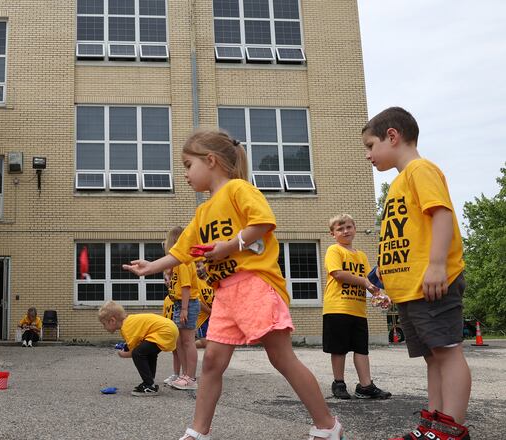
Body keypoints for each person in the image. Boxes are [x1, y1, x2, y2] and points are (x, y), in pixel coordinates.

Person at [123, 129, 345, 440]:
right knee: (212, 362)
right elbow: (180, 251)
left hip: (254, 284)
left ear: (210, 160)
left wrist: (229, 245)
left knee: (281, 357)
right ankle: (198, 432)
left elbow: (263, 221)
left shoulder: (239, 189)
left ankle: (327, 426)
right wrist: (150, 267)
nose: (184, 174)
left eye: (188, 165)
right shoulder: (202, 212)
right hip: (225, 293)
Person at [363, 107, 471, 440]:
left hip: (432, 283)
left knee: (447, 351)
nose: (368, 155)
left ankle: (452, 429)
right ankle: (434, 426)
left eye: (370, 146)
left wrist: (437, 264)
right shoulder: (397, 183)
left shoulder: (419, 170)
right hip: (410, 289)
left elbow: (440, 215)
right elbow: (406, 235)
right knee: (432, 357)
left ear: (392, 136)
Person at [323, 214, 392, 400]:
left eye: (348, 227)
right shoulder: (334, 250)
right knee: (339, 349)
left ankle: (365, 386)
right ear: (332, 234)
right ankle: (339, 383)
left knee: (361, 349)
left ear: (354, 229)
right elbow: (337, 273)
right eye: (340, 229)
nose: (345, 231)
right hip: (337, 307)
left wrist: (380, 296)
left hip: (358, 310)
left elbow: (369, 282)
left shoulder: (361, 255)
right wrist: (364, 281)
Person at [98, 301, 178, 397]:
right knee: (148, 353)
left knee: (138, 353)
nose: (104, 327)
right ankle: (150, 382)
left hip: (164, 331)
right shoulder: (130, 322)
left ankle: (149, 385)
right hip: (169, 328)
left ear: (112, 321)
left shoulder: (126, 328)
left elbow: (134, 352)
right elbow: (137, 341)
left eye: (104, 324)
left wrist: (123, 354)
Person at [163, 226, 201, 391]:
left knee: (187, 341)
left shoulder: (183, 261)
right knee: (179, 342)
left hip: (188, 303)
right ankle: (183, 375)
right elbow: (178, 285)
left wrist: (184, 309)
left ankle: (190, 377)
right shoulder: (175, 265)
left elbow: (186, 287)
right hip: (180, 304)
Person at [161, 278, 182, 385]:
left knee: (181, 351)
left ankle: (185, 375)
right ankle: (176, 374)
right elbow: (164, 316)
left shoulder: (179, 297)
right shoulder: (166, 299)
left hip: (180, 328)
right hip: (171, 329)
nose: (167, 281)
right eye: (165, 279)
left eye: (169, 279)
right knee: (175, 352)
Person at [194, 261, 214, 349]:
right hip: (203, 317)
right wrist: (211, 312)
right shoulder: (195, 281)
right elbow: (198, 302)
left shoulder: (212, 279)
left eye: (198, 266)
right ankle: (187, 346)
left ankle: (186, 345)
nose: (197, 269)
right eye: (195, 267)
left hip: (216, 314)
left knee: (216, 341)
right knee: (206, 343)